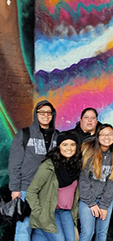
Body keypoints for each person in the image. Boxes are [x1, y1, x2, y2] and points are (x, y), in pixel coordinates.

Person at [8, 100, 59, 241]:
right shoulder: (24, 134)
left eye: (48, 112)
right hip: (26, 188)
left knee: (42, 228)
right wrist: (15, 189)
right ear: (36, 114)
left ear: (52, 115)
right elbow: (14, 164)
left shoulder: (57, 136)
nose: (45, 115)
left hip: (47, 191)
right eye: (42, 112)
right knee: (24, 227)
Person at [26, 131, 81, 241]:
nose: (69, 148)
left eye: (72, 144)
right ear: (59, 147)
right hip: (50, 212)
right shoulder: (49, 165)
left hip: (66, 212)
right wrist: (39, 214)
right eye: (65, 144)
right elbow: (31, 191)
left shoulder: (77, 166)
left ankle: (39, 234)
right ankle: (40, 230)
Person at [79, 124, 113, 241]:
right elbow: (83, 180)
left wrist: (103, 205)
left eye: (110, 134)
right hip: (88, 200)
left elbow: (112, 182)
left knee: (102, 234)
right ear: (98, 137)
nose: (106, 137)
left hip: (106, 200)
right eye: (103, 134)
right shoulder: (89, 153)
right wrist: (91, 203)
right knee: (88, 233)